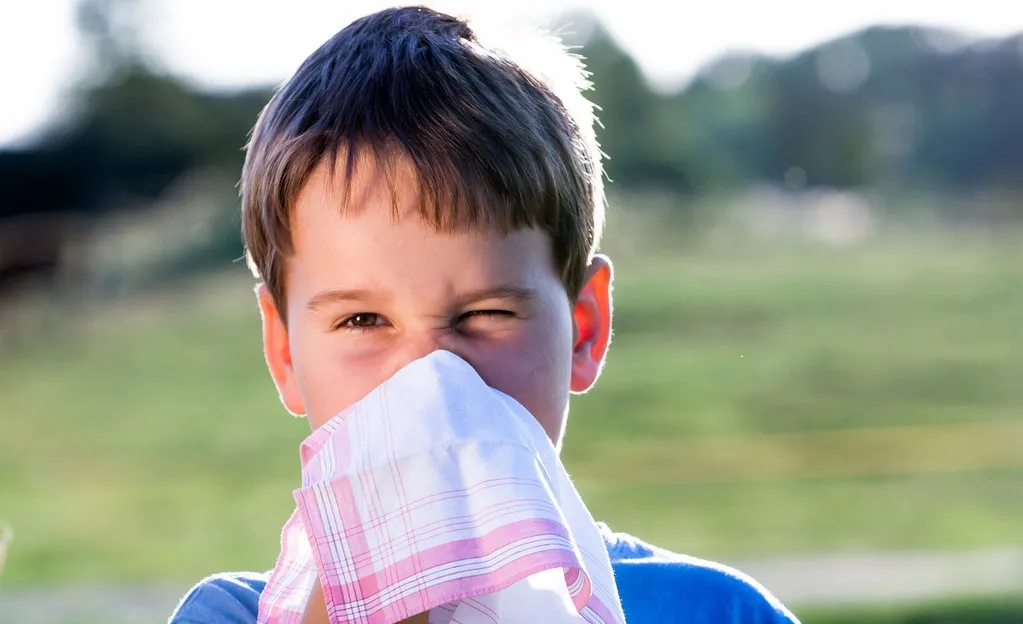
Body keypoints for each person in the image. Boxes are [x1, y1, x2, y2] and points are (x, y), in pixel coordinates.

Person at [168, 6, 799, 623]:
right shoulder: (228, 614)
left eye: (484, 314)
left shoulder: (718, 610)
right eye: (362, 321)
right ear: (283, 350)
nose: (429, 381)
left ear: (584, 328)